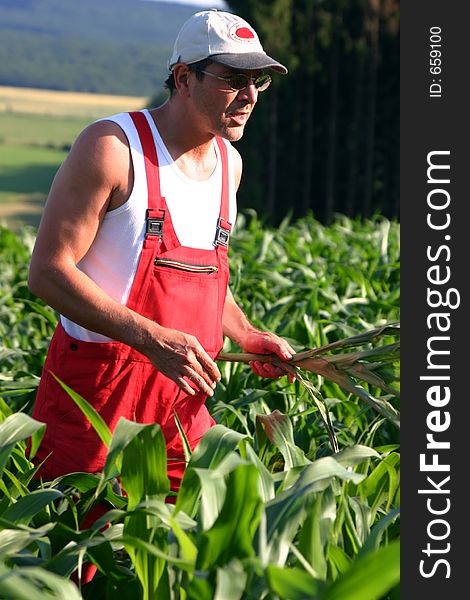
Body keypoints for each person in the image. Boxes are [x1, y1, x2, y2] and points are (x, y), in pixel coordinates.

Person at [28, 9, 294, 496]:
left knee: (185, 557)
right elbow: (47, 272)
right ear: (183, 77)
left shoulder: (229, 165)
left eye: (257, 81)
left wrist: (248, 335)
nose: (250, 95)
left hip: (181, 402)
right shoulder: (112, 148)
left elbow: (204, 279)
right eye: (233, 78)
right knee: (79, 560)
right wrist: (151, 339)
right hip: (96, 398)